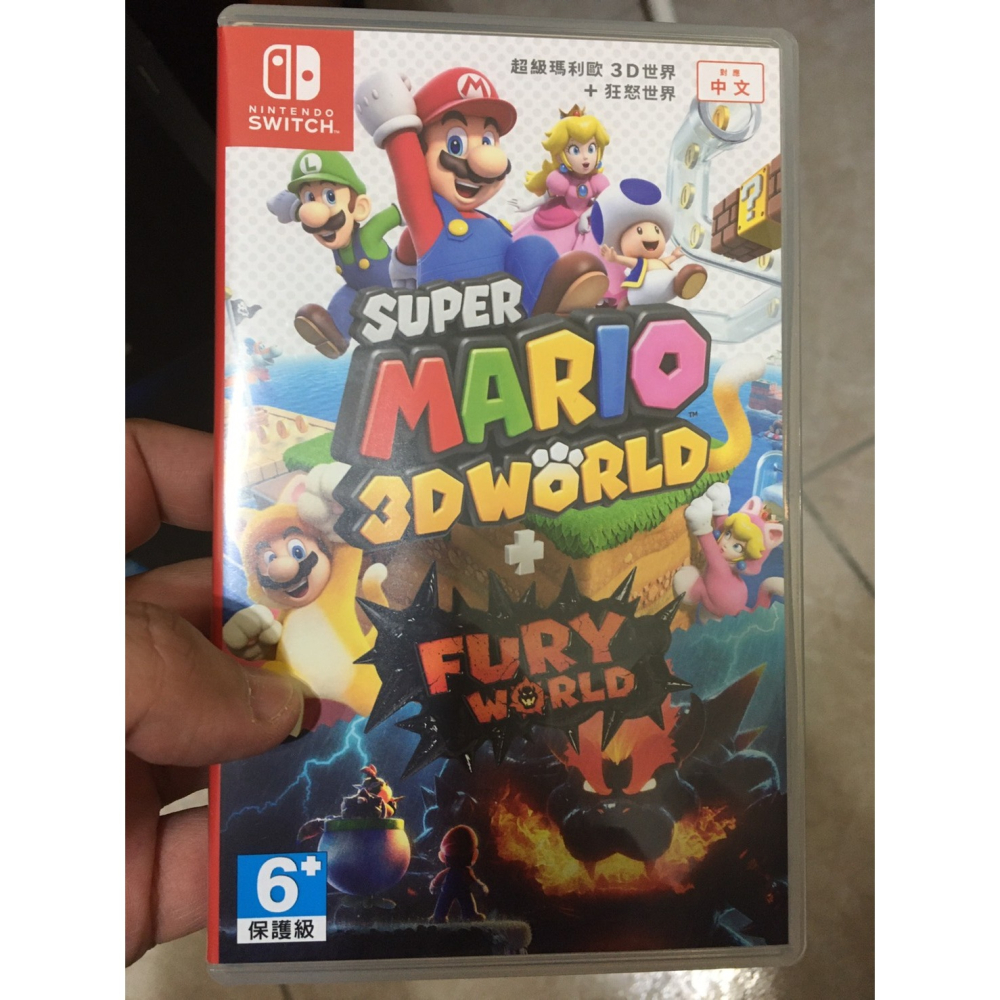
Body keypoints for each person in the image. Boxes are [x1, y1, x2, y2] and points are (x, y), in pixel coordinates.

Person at [125, 419, 311, 966]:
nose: (287, 560)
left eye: (293, 546)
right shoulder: (254, 611)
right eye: (270, 551)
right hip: (285, 723)